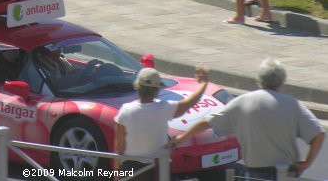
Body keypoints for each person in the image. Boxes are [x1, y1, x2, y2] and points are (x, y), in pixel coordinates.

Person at [171, 58, 325, 180]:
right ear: (282, 80)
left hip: (258, 174)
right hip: (288, 173)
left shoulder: (244, 102)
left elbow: (207, 123)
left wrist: (181, 138)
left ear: (259, 79)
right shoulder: (293, 105)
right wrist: (306, 162)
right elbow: (318, 134)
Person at [114, 66, 209, 180]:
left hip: (131, 170)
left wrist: (116, 173)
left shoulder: (125, 110)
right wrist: (204, 83)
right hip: (157, 170)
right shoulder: (164, 108)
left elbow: (119, 147)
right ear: (157, 90)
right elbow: (191, 101)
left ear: (137, 87)